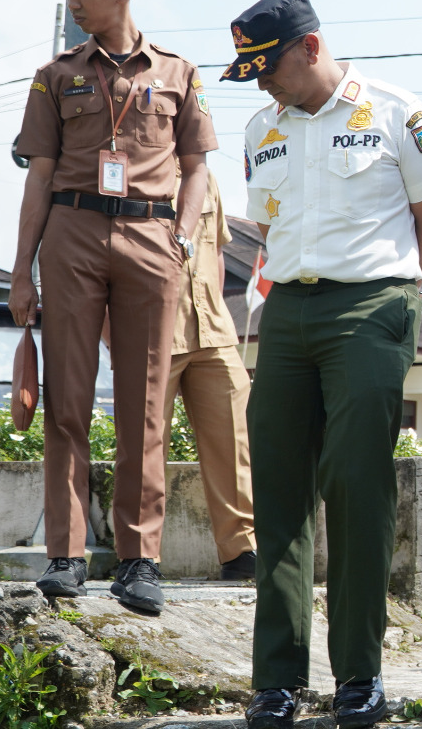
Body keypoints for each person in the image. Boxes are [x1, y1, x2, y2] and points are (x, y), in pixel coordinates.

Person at [226, 0, 422, 729]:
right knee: (280, 494)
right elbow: (267, 225)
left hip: (370, 305)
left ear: (311, 46)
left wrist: (402, 289)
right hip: (287, 314)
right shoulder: (262, 127)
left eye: (268, 66)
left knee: (357, 483)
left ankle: (360, 674)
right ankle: (277, 680)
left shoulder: (393, 111)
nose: (261, 82)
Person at [11, 0, 215, 616]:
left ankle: (139, 559)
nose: (71, 2)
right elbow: (38, 173)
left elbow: (198, 170)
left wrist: (182, 238)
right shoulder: (55, 74)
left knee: (146, 403)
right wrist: (20, 272)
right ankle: (66, 555)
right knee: (67, 400)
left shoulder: (180, 73)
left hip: (152, 237)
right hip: (69, 233)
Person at [166, 170, 258, 580]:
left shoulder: (204, 177)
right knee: (145, 445)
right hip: (153, 331)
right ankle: (138, 555)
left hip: (213, 329)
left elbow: (216, 251)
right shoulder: (126, 170)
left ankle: (242, 552)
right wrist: (113, 335)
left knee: (236, 438)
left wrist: (217, 311)